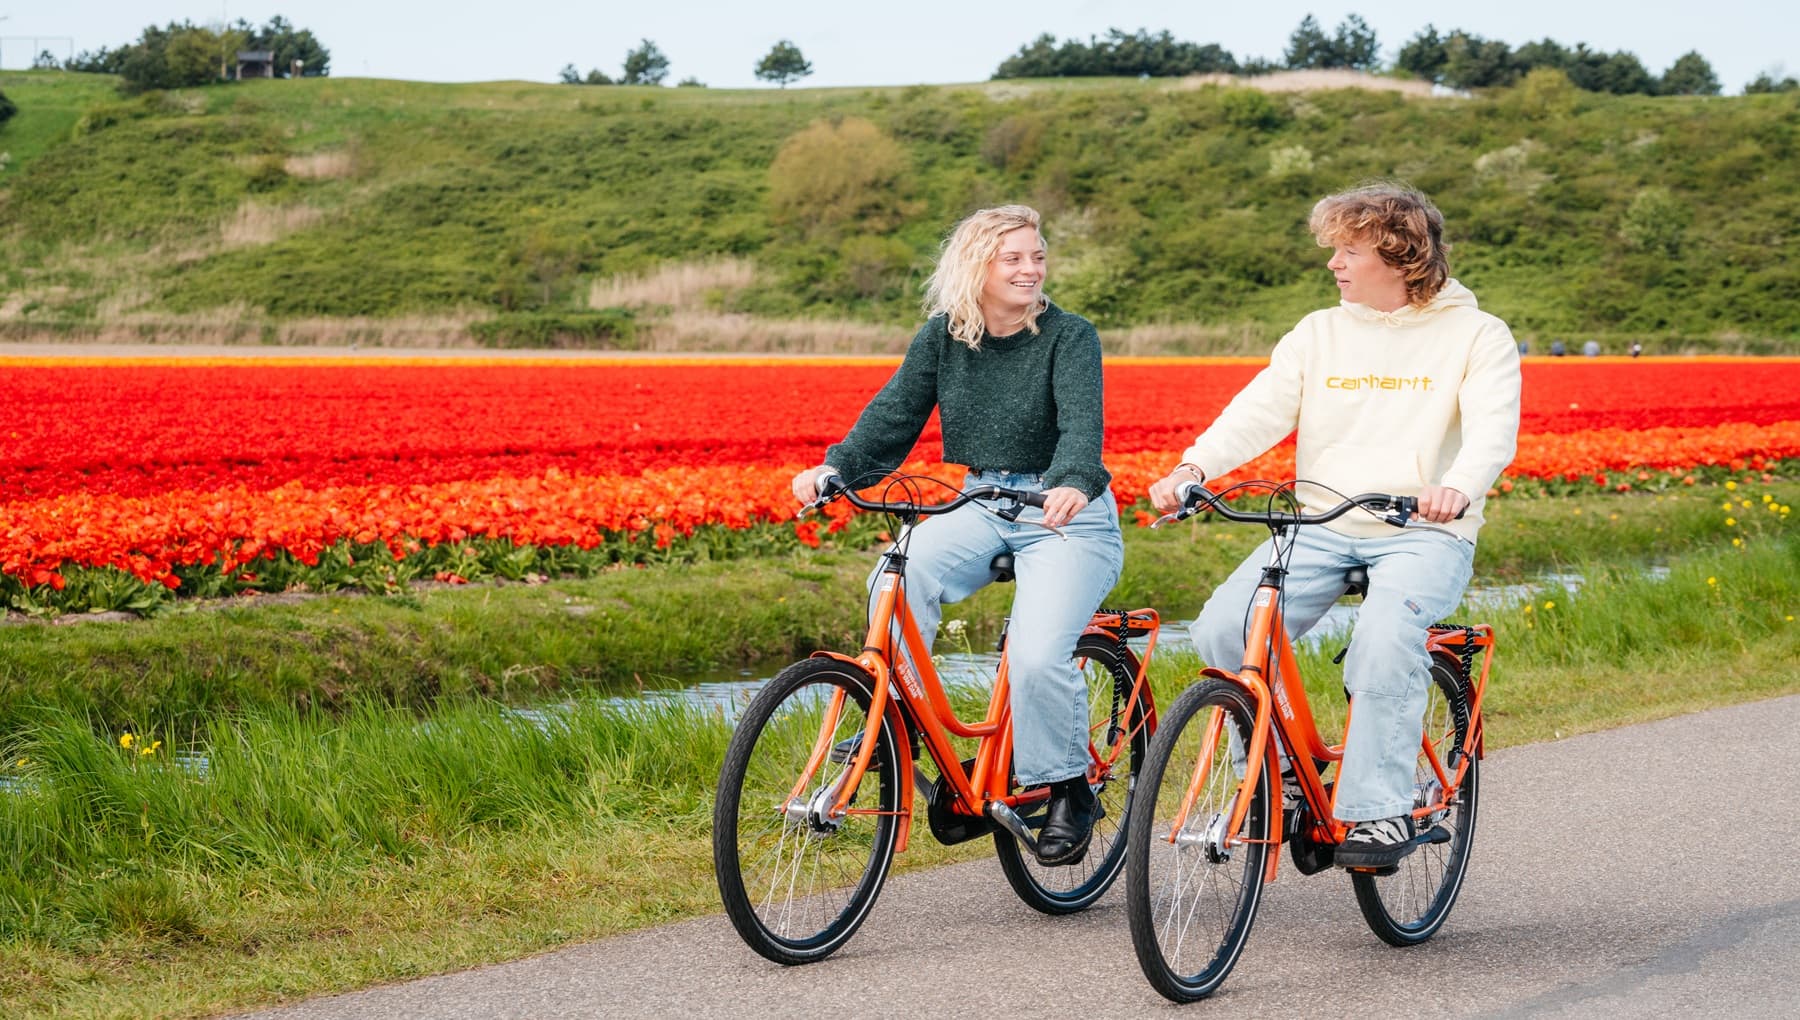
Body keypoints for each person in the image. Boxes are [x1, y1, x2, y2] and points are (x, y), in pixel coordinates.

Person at [1148, 183, 1521, 870]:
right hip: (1321, 523)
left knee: (1382, 644)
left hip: (1423, 530)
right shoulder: (1319, 332)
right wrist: (1193, 466)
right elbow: (1258, 410)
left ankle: (1379, 810)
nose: (1333, 263)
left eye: (1349, 250)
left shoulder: (1477, 335)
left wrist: (1458, 487)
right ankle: (1282, 778)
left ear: (1399, 254)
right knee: (1224, 627)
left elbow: (1492, 431)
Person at [792, 204, 1124, 867]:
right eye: (1014, 258)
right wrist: (837, 469)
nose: (1031, 269)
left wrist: (1072, 481)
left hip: (1064, 513)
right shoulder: (943, 337)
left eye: (1037, 256)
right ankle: (899, 726)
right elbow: (894, 414)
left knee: (1036, 655)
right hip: (983, 499)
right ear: (976, 267)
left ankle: (1067, 789)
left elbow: (1081, 425)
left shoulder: (1070, 335)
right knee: (895, 576)